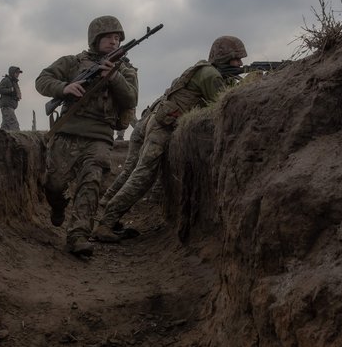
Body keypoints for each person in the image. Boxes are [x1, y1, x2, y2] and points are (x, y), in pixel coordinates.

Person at [93, 36, 247, 242]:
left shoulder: (205, 70)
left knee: (134, 172)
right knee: (142, 176)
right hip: (162, 128)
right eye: (236, 59)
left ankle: (103, 212)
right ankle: (105, 224)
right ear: (224, 58)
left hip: (158, 123)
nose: (240, 64)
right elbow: (220, 106)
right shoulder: (211, 75)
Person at [35, 15, 138, 257]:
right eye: (108, 37)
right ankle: (58, 207)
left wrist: (114, 77)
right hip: (67, 130)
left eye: (117, 38)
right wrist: (64, 87)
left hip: (100, 135)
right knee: (54, 184)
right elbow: (42, 80)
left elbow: (131, 98)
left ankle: (78, 236)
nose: (114, 42)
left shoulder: (124, 69)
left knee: (91, 182)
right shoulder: (72, 62)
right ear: (95, 39)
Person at [0, 66, 23, 130]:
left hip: (10, 106)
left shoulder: (13, 81)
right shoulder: (6, 80)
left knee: (5, 126)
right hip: (7, 106)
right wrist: (10, 90)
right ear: (12, 73)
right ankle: (18, 138)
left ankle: (1, 137)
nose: (18, 74)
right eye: (16, 73)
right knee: (14, 124)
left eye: (18, 73)